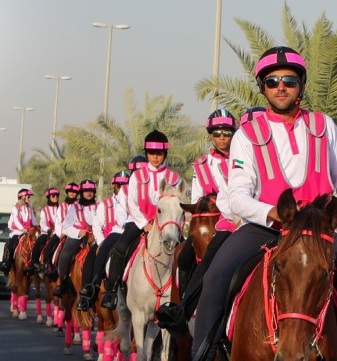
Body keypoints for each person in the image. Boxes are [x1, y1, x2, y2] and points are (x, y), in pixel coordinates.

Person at [162, 46, 337, 361]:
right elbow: (237, 196)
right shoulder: (247, 133)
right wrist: (269, 213)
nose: (281, 87)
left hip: (316, 229)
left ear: (301, 86)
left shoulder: (324, 126)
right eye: (272, 81)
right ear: (262, 87)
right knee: (216, 276)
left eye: (289, 81)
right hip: (267, 226)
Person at [156, 109, 238, 334]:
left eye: (227, 133)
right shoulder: (201, 164)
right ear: (210, 135)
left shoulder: (243, 157)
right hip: (211, 221)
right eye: (217, 133)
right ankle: (183, 305)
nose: (222, 137)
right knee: (184, 257)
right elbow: (197, 198)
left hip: (240, 221)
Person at [101, 131, 181, 310]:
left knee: (184, 253)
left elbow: (177, 204)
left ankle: (182, 295)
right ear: (146, 153)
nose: (155, 157)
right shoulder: (137, 176)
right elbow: (132, 203)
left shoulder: (174, 178)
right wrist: (145, 224)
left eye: (159, 153)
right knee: (120, 247)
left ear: (164, 154)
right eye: (151, 153)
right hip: (139, 222)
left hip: (165, 225)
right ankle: (112, 290)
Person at [75, 170, 130, 311]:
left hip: (131, 235)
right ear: (114, 186)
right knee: (92, 258)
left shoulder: (133, 199)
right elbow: (97, 226)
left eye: (126, 184)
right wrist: (101, 242)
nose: (122, 188)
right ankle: (91, 289)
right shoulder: (104, 204)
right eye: (119, 185)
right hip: (112, 235)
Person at [52, 179, 98, 297]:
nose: (89, 193)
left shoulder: (99, 206)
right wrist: (78, 232)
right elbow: (66, 227)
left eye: (91, 191)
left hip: (96, 237)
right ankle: (63, 283)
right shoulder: (74, 208)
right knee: (65, 255)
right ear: (82, 192)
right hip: (77, 237)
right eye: (86, 191)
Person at [43, 182, 79, 280]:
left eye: (74, 192)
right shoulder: (61, 206)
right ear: (67, 192)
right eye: (70, 192)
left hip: (75, 235)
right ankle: (49, 268)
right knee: (48, 249)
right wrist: (61, 233)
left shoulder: (79, 205)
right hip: (61, 234)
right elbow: (58, 222)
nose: (72, 194)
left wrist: (74, 233)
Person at [0, 188, 36, 274]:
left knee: (35, 244)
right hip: (17, 232)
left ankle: (35, 264)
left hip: (27, 233)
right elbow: (15, 220)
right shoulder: (15, 208)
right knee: (11, 244)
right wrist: (22, 229)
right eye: (28, 197)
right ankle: (7, 263)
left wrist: (34, 228)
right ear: (22, 197)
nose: (29, 199)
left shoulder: (30, 209)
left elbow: (33, 221)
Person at [27, 187, 59, 274]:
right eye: (53, 196)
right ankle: (34, 263)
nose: (55, 197)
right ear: (49, 197)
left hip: (59, 232)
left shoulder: (61, 208)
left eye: (57, 195)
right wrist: (48, 230)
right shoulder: (44, 210)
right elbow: (42, 223)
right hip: (47, 232)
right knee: (38, 244)